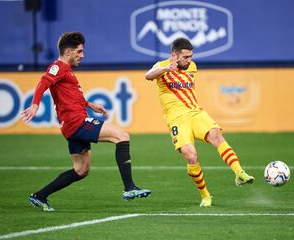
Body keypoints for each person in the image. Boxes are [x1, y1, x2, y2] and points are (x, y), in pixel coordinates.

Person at [21, 32, 151, 211]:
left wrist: (89, 104)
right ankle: (129, 188)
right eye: (79, 51)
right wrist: (35, 105)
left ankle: (39, 196)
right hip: (77, 122)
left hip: (71, 124)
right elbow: (44, 82)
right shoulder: (58, 67)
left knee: (81, 170)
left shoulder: (67, 71)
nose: (82, 55)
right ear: (68, 51)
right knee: (121, 136)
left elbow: (69, 97)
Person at [145, 38, 254, 207]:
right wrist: (166, 68)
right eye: (186, 57)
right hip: (177, 119)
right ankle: (205, 196)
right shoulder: (161, 66)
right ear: (174, 55)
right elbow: (148, 76)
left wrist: (182, 65)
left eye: (191, 56)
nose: (189, 60)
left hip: (196, 113)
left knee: (216, 135)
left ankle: (239, 172)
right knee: (191, 155)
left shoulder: (192, 67)